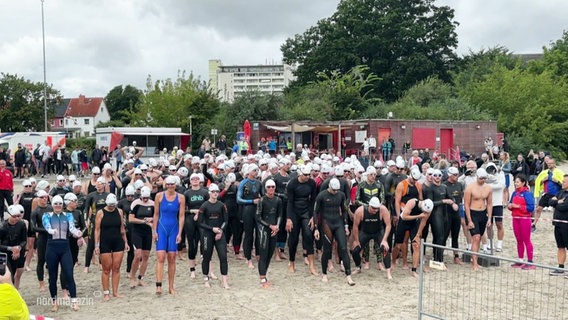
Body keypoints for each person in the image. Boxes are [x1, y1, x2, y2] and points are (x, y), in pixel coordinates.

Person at [42, 195, 83, 311]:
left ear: (63, 205)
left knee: (69, 274)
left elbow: (71, 228)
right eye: (55, 204)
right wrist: (51, 230)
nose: (58, 206)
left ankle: (74, 301)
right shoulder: (47, 215)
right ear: (52, 205)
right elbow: (47, 227)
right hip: (52, 247)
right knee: (53, 276)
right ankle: (54, 302)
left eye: (60, 204)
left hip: (65, 247)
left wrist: (77, 233)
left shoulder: (68, 215)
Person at [313, 178, 355, 285]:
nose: (335, 192)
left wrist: (346, 226)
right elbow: (315, 212)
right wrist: (316, 228)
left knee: (343, 248)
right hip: (326, 223)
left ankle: (348, 275)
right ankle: (324, 274)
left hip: (338, 223)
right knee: (327, 250)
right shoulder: (321, 195)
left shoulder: (341, 195)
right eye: (334, 190)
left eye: (337, 190)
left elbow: (344, 210)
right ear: (329, 187)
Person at [152, 175, 185, 295]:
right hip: (162, 227)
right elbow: (155, 215)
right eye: (169, 184)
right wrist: (154, 231)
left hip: (173, 229)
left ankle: (171, 287)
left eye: (172, 184)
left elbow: (181, 216)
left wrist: (180, 233)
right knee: (160, 257)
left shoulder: (181, 197)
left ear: (175, 185)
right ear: (166, 185)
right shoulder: (159, 196)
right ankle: (158, 285)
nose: (170, 186)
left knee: (172, 258)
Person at [94, 194, 129, 301]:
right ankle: (106, 292)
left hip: (118, 241)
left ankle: (115, 292)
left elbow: (122, 229)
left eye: (113, 206)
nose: (111, 207)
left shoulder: (119, 211)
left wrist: (126, 242)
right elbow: (97, 230)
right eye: (110, 206)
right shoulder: (100, 213)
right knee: (106, 269)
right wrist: (97, 245)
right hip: (105, 242)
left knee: (117, 267)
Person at [286, 165, 318, 275]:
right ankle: (292, 262)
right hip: (294, 211)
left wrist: (313, 217)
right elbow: (289, 202)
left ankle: (312, 265)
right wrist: (288, 218)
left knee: (308, 235)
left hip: (306, 211)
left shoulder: (312, 183)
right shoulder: (292, 184)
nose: (308, 177)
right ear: (300, 174)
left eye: (309, 174)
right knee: (293, 238)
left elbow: (313, 201)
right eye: (305, 175)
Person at [351, 196, 392, 279]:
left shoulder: (383, 210)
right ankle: (358, 267)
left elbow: (388, 225)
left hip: (378, 232)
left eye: (377, 208)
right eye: (373, 208)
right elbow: (355, 227)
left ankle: (388, 272)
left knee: (385, 249)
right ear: (369, 205)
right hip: (365, 232)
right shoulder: (360, 211)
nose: (375, 210)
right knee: (355, 250)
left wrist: (384, 240)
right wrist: (356, 240)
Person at [198, 184, 230, 289]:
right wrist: (212, 229)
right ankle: (206, 279)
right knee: (207, 257)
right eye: (213, 191)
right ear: (209, 193)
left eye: (217, 191)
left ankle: (224, 281)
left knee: (223, 257)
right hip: (207, 234)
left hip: (219, 233)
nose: (215, 193)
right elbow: (200, 222)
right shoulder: (204, 206)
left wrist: (220, 231)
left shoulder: (221, 205)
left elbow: (226, 220)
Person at [464, 168, 493, 271]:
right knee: (475, 237)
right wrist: (469, 220)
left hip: (482, 213)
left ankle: (475, 258)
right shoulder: (470, 188)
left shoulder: (488, 188)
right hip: (472, 212)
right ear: (477, 177)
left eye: (484, 178)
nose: (483, 180)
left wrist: (489, 218)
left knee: (479, 237)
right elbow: (466, 205)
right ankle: (474, 263)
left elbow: (489, 203)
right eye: (481, 178)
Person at [255, 179, 282, 288]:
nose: (271, 189)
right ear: (265, 188)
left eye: (273, 187)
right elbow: (258, 217)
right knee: (263, 254)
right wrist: (270, 226)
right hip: (264, 229)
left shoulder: (278, 200)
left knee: (270, 253)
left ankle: (264, 275)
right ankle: (262, 279)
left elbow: (280, 215)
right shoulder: (262, 200)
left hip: (274, 228)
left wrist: (277, 226)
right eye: (269, 187)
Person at [183, 173, 209, 277]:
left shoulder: (205, 192)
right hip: (190, 219)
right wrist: (191, 211)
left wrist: (199, 212)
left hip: (202, 219)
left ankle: (207, 269)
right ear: (190, 181)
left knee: (205, 243)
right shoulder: (187, 193)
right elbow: (182, 209)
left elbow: (209, 206)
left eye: (197, 179)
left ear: (200, 180)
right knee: (192, 244)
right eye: (192, 179)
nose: (195, 180)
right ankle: (192, 269)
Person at [237, 164, 263, 269]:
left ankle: (258, 254)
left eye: (257, 170)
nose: (256, 172)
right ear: (249, 172)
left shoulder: (259, 183)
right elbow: (238, 199)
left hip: (257, 211)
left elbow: (263, 196)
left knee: (259, 233)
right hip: (247, 210)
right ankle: (248, 258)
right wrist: (252, 201)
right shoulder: (243, 183)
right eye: (254, 170)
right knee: (248, 234)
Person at [507, 174, 536, 269]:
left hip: (524, 219)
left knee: (526, 239)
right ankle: (520, 260)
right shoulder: (514, 193)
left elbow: (531, 207)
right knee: (518, 239)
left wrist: (518, 207)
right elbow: (511, 203)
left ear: (523, 183)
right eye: (515, 182)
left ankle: (530, 261)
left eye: (518, 182)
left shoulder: (527, 194)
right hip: (515, 218)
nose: (516, 184)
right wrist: (510, 206)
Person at [129, 186, 154, 288]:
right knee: (138, 255)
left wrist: (151, 219)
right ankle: (132, 277)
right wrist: (144, 221)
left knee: (146, 256)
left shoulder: (152, 204)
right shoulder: (136, 203)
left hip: (147, 232)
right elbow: (131, 219)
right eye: (143, 198)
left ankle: (141, 278)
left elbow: (156, 216)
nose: (145, 200)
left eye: (147, 198)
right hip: (137, 231)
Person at [533, 158, 564, 232]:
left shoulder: (559, 172)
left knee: (558, 211)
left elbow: (564, 184)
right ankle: (534, 224)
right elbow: (538, 183)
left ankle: (560, 225)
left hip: (556, 195)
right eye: (548, 163)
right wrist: (543, 180)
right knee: (538, 209)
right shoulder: (544, 173)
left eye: (551, 163)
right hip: (547, 194)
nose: (549, 165)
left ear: (554, 164)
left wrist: (557, 181)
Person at [0, 205, 27, 288]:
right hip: (4, 254)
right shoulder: (2, 227)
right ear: (8, 215)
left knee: (12, 275)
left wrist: (18, 248)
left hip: (15, 253)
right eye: (14, 216)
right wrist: (11, 248)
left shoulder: (21, 224)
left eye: (18, 216)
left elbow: (24, 240)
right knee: (4, 276)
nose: (16, 219)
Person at [548, 174, 568, 276]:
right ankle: (560, 268)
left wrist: (556, 203)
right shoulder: (561, 192)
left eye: (564, 182)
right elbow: (550, 201)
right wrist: (557, 202)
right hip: (558, 223)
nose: (562, 183)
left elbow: (564, 207)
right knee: (560, 247)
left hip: (566, 225)